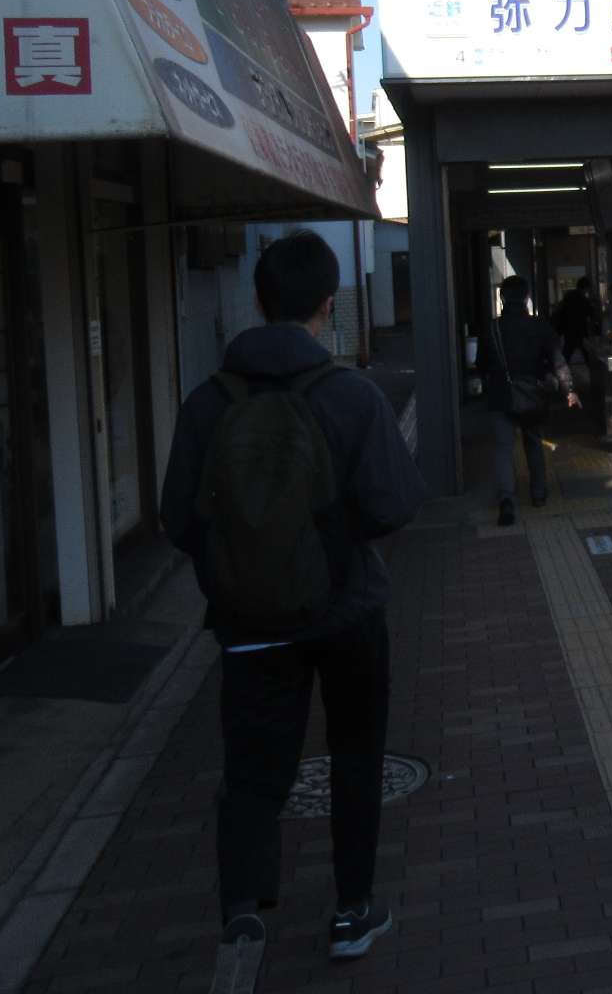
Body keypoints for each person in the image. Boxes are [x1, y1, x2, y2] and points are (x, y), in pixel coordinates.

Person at [160, 231, 426, 987]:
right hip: (347, 614)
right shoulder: (349, 394)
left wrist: (238, 566)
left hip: (248, 625)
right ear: (326, 304)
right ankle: (352, 911)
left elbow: (177, 517)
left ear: (257, 299)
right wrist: (331, 544)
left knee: (251, 770)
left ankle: (243, 911)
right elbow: (395, 503)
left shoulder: (209, 402)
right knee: (355, 755)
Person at [481, 274, 579, 526]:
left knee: (503, 449)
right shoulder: (539, 326)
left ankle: (506, 500)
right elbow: (558, 360)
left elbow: (482, 364)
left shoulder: (493, 328)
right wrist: (568, 389)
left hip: (501, 396)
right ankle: (538, 494)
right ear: (526, 297)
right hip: (532, 395)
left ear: (502, 297)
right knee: (533, 444)